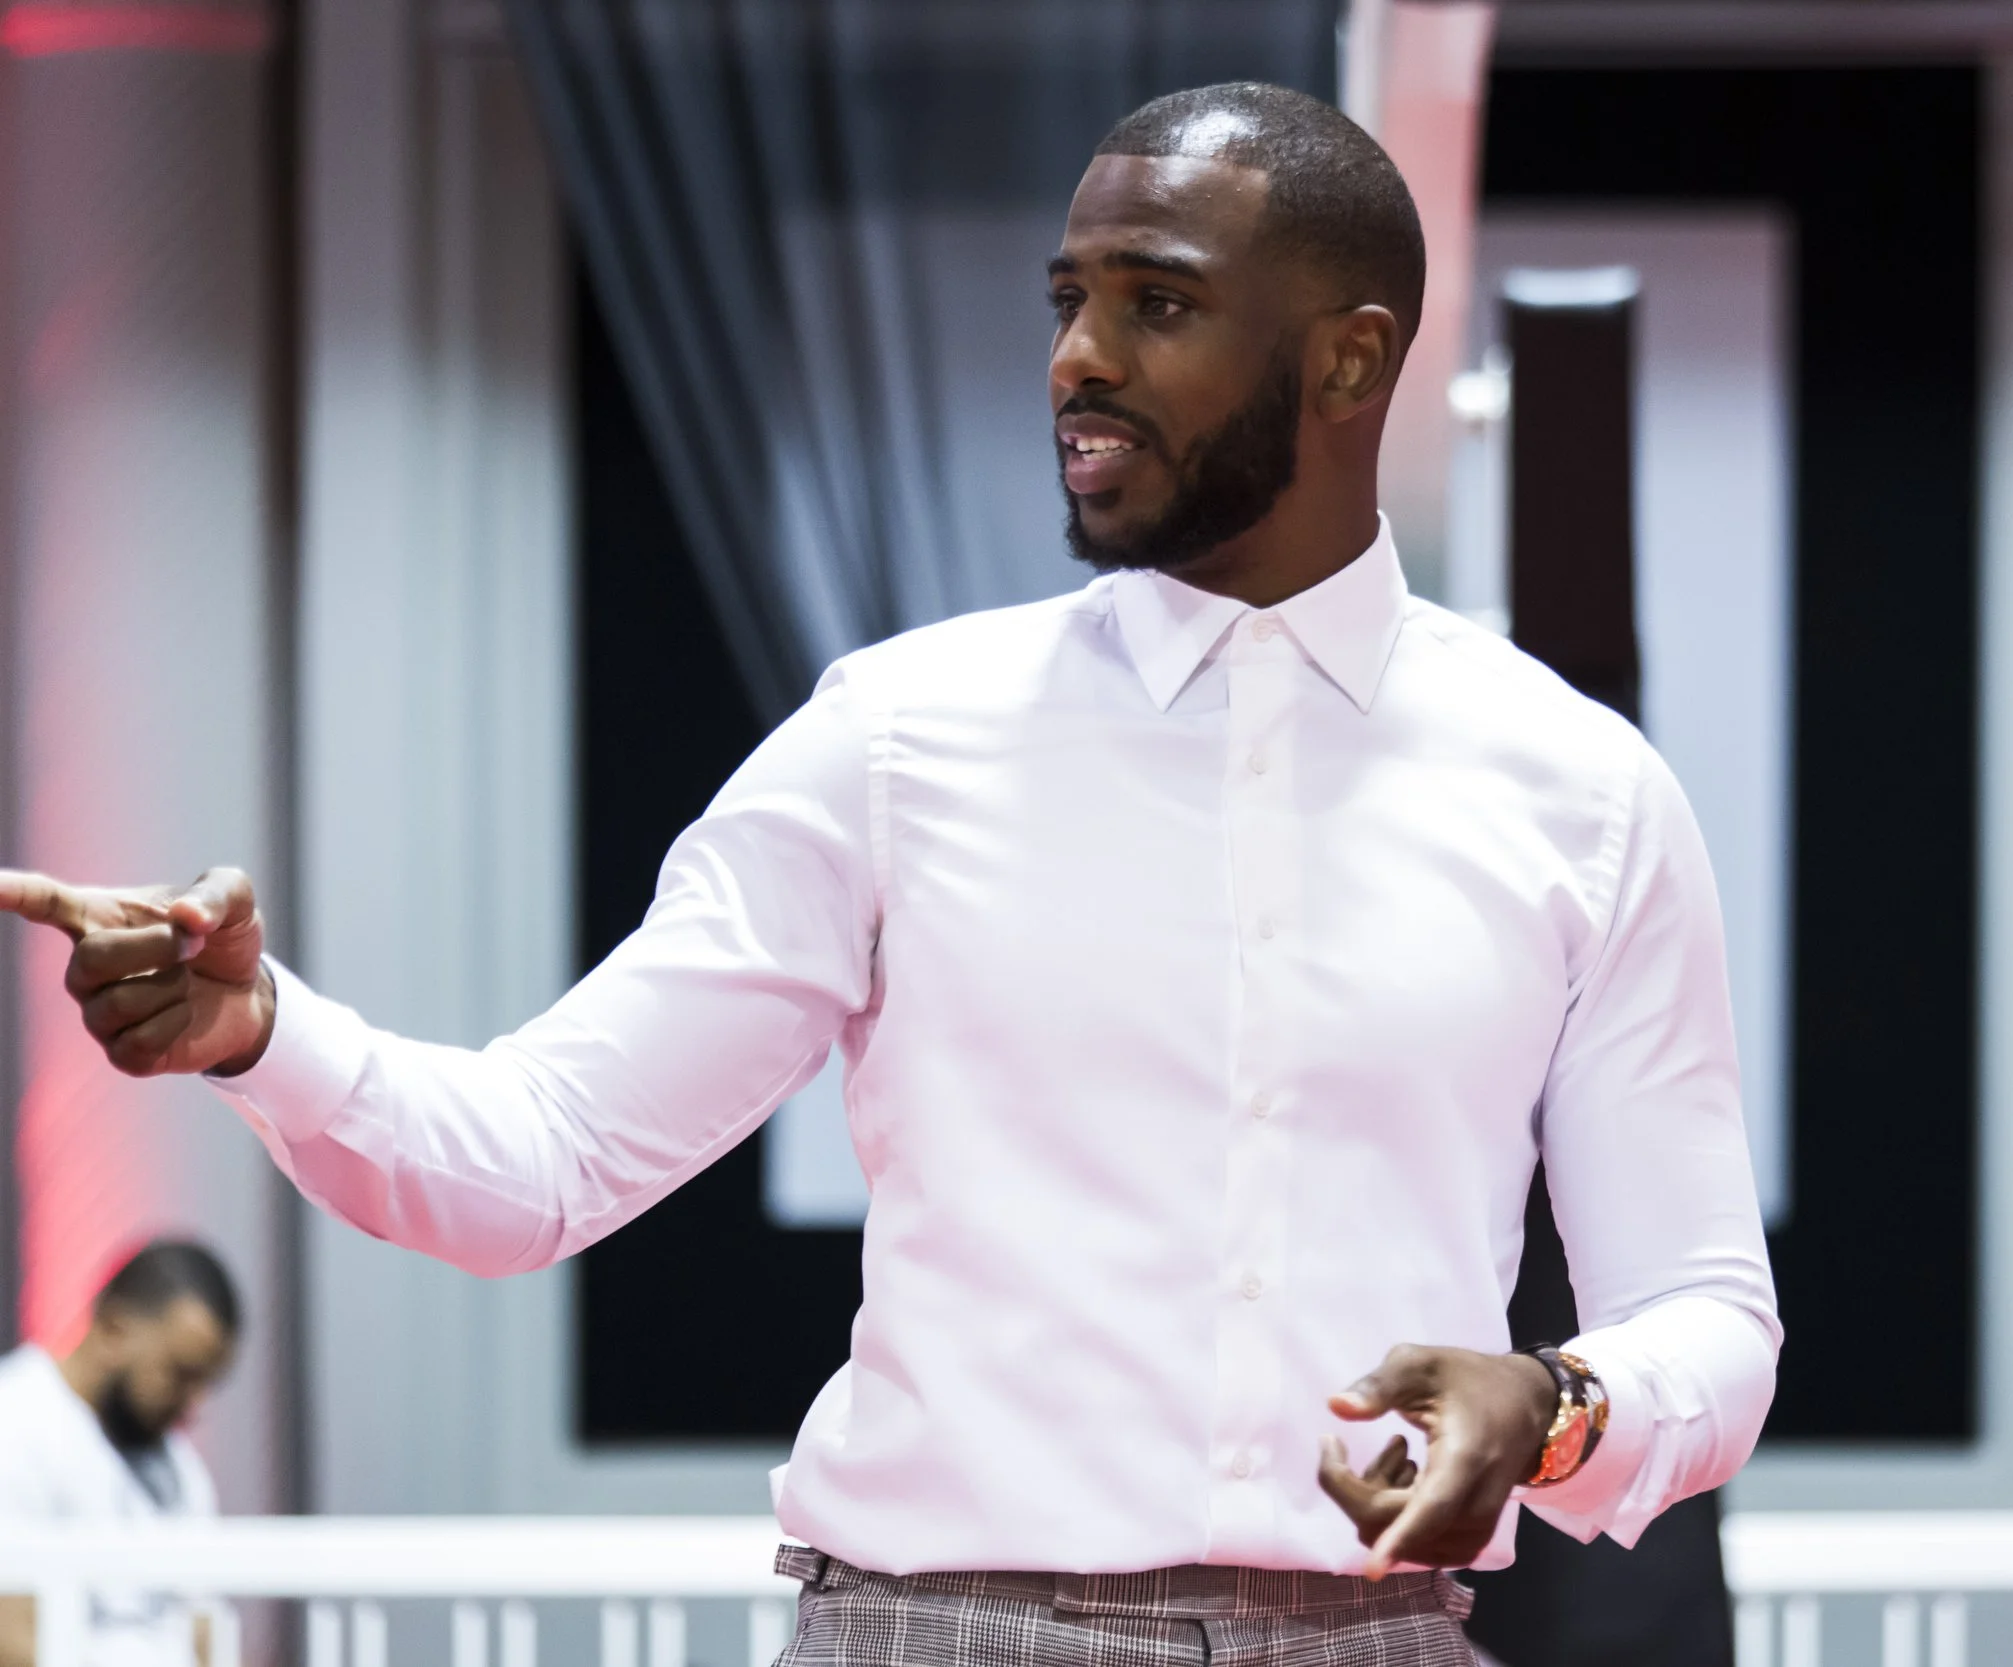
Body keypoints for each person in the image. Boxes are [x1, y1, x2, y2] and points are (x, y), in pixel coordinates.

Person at [0, 82, 1779, 1666]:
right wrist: (261, 1031)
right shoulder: (898, 738)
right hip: (931, 1630)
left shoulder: (1582, 791)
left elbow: (1710, 1315)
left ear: (1350, 361)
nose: (1079, 357)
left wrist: (1557, 1405)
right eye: (1068, 300)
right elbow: (538, 1159)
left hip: (1374, 1639)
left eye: (1156, 303)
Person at [0, 1241, 238, 1667]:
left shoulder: (180, 1470)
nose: (193, 1404)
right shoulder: (15, 1424)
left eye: (206, 1383)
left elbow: (205, 1634)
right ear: (113, 1329)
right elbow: (10, 1640)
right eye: (180, 1373)